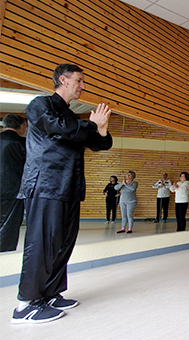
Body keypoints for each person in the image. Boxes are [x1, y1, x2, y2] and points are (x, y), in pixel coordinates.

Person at [13, 63, 112, 324]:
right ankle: (25, 305)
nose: (82, 85)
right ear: (63, 80)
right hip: (45, 185)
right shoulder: (40, 105)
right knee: (42, 243)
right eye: (79, 80)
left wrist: (100, 128)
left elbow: (99, 143)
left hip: (69, 187)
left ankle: (50, 293)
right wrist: (91, 125)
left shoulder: (72, 117)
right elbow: (60, 129)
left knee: (62, 244)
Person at [0, 114, 27, 252]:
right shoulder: (23, 143)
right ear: (22, 126)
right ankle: (4, 252)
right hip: (14, 188)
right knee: (10, 223)